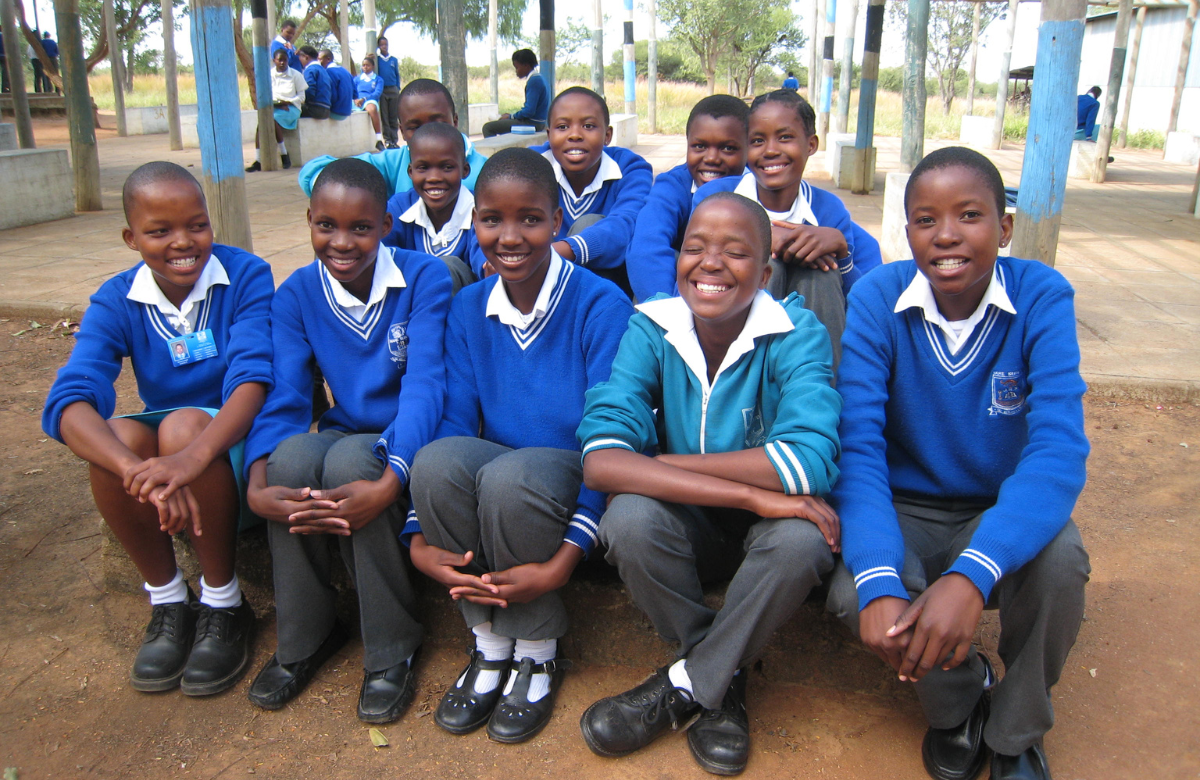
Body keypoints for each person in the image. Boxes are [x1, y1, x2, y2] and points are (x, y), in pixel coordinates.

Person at [826, 146, 1090, 780]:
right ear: (907, 231)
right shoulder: (876, 297)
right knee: (852, 593)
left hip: (997, 507)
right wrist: (882, 581)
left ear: (1004, 227)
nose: (946, 235)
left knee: (1059, 566)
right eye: (925, 219)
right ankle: (960, 705)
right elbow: (857, 447)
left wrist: (975, 573)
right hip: (905, 507)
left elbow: (1057, 450)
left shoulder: (1041, 296)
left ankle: (1013, 732)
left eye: (969, 215)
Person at [576, 192, 842, 776]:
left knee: (802, 542)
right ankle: (723, 671)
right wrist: (749, 488)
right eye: (694, 248)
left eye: (736, 252)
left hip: (768, 537)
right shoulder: (652, 327)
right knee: (627, 519)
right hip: (691, 527)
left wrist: (658, 464)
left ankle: (690, 682)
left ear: (766, 273)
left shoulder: (797, 332)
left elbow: (809, 463)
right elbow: (600, 459)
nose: (710, 263)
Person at [405, 147, 633, 743]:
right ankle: (489, 644)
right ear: (472, 221)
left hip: (567, 478)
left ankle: (536, 650)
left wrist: (568, 556)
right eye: (491, 219)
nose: (509, 237)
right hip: (507, 477)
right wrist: (416, 534)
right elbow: (455, 424)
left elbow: (610, 440)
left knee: (512, 477)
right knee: (436, 461)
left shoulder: (599, 304)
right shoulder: (467, 307)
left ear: (558, 221)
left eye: (530, 219)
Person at [41, 161, 273, 696]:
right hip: (170, 456)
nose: (183, 242)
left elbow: (252, 381)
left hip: (229, 440)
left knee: (181, 427)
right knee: (120, 438)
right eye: (159, 231)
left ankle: (224, 602)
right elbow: (70, 399)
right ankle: (168, 598)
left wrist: (185, 461)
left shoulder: (244, 275)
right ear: (130, 237)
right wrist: (140, 472)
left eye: (197, 224)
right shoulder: (117, 298)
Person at [243, 158, 452, 724]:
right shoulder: (297, 294)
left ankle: (391, 647)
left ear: (386, 224)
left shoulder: (424, 278)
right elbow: (286, 394)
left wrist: (392, 480)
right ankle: (305, 636)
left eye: (360, 228)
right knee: (291, 459)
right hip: (345, 428)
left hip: (408, 438)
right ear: (309, 221)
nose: (342, 242)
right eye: (326, 226)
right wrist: (257, 480)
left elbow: (426, 384)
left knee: (351, 463)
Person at [694, 89, 882, 370]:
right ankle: (746, 388)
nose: (770, 150)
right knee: (767, 264)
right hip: (728, 333)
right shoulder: (717, 197)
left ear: (811, 144)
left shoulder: (829, 210)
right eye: (757, 140)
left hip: (809, 337)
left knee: (821, 273)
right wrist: (764, 236)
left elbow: (856, 302)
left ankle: (820, 393)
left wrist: (841, 252)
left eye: (785, 137)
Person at [529, 86, 652, 297]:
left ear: (607, 135)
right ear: (549, 135)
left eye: (588, 126)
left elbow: (628, 223)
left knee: (590, 223)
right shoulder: (529, 166)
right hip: (538, 283)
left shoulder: (631, 168)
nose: (575, 135)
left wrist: (563, 251)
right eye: (562, 126)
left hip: (607, 288)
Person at [628, 94, 750, 302]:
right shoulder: (674, 185)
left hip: (739, 295)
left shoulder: (756, 187)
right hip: (684, 299)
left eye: (728, 148)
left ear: (749, 148)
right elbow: (646, 247)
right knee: (675, 258)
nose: (711, 158)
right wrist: (668, 314)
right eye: (699, 146)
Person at [298, 79, 488, 198]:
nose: (427, 134)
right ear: (402, 131)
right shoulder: (393, 163)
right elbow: (315, 172)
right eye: (414, 128)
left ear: (454, 121)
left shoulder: (486, 172)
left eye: (437, 123)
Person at [383, 121, 480, 294]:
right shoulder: (398, 209)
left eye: (447, 167)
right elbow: (381, 254)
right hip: (410, 307)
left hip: (461, 309)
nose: (434, 177)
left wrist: (488, 267)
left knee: (445, 268)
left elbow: (483, 259)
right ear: (410, 172)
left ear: (465, 170)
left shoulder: (480, 210)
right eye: (423, 168)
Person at [245, 47, 306, 172]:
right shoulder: (269, 75)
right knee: (261, 125)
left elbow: (302, 97)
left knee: (272, 120)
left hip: (291, 108)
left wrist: (288, 102)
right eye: (279, 60)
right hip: (274, 107)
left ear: (288, 60)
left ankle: (284, 153)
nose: (282, 62)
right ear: (274, 61)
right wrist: (276, 104)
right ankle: (258, 160)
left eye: (285, 60)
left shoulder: (296, 75)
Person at [482, 49, 550, 137]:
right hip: (539, 122)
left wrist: (510, 116)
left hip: (532, 124)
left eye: (517, 67)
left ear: (526, 65)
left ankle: (495, 151)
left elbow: (529, 111)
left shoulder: (534, 81)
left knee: (488, 128)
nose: (516, 71)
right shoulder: (540, 78)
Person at [354, 55, 386, 151]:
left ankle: (378, 140)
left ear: (373, 67)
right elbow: (352, 90)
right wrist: (355, 99)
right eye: (363, 65)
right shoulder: (357, 79)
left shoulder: (378, 79)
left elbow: (377, 93)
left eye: (367, 65)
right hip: (357, 101)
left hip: (369, 100)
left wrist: (364, 99)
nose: (365, 67)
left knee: (372, 109)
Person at [376, 36, 401, 148]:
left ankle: (394, 140)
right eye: (381, 45)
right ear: (378, 46)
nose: (384, 47)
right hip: (382, 91)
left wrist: (397, 87)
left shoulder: (393, 60)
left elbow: (397, 74)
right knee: (384, 116)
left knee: (393, 116)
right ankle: (387, 140)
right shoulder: (377, 60)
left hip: (393, 90)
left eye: (385, 44)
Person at [318, 49, 355, 120]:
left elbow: (331, 96)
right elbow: (355, 94)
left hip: (335, 112)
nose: (318, 62)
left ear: (328, 59)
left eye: (320, 59)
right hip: (347, 112)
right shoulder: (346, 72)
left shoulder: (328, 72)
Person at [297, 45, 331, 119]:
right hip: (326, 109)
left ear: (306, 57)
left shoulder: (310, 69)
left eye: (300, 56)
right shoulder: (323, 70)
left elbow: (309, 90)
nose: (299, 59)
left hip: (315, 109)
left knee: (289, 111)